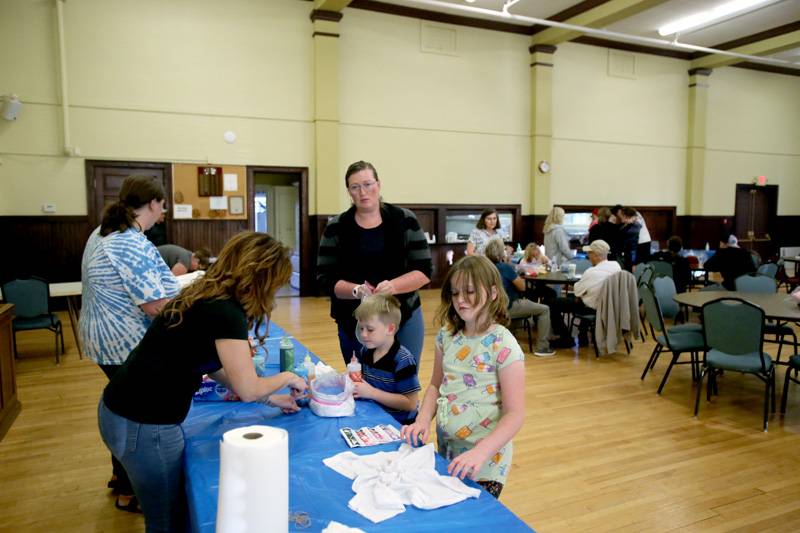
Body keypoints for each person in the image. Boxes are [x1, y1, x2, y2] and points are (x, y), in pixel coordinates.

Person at [97, 231, 308, 532]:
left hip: (118, 409)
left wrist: (272, 398)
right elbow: (247, 389)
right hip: (143, 424)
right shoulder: (227, 312)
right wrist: (287, 377)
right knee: (167, 521)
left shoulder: (206, 295)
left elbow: (215, 367)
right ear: (263, 278)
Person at [80, 176, 180, 513]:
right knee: (134, 412)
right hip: (120, 340)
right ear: (153, 203)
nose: (164, 211)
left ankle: (118, 476)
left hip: (103, 335)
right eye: (163, 204)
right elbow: (153, 305)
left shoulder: (105, 232)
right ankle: (128, 488)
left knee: (121, 401)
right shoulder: (128, 241)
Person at [401, 255, 525, 499]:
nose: (460, 300)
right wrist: (423, 419)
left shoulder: (505, 346)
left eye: (469, 292)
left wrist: (481, 452)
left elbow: (515, 414)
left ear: (492, 293)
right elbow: (436, 385)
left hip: (486, 464)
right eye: (455, 293)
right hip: (448, 451)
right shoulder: (446, 337)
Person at [317, 161, 432, 367]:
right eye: (355, 187)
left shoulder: (405, 219)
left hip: (403, 315)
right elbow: (324, 278)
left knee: (405, 379)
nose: (363, 192)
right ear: (349, 192)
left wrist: (393, 286)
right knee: (361, 380)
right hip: (354, 319)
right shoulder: (336, 227)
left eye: (368, 184)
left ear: (378, 185)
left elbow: (424, 270)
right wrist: (356, 290)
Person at [351, 294, 421, 424]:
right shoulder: (366, 350)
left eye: (370, 330)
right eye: (361, 328)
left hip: (399, 425)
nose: (363, 334)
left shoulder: (403, 360)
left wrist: (372, 393)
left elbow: (411, 403)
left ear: (390, 329)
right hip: (375, 416)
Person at [485, 239, 555, 357]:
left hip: (489, 308)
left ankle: (511, 338)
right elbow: (522, 287)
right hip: (507, 307)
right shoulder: (505, 267)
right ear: (501, 253)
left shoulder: (484, 267)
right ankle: (542, 347)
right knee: (544, 309)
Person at [551, 240, 621, 347]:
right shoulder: (616, 267)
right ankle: (582, 333)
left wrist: (572, 287)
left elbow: (577, 291)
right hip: (611, 307)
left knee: (552, 303)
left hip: (594, 308)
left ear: (597, 255)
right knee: (584, 297)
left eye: (590, 253)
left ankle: (566, 338)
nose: (588, 256)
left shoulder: (591, 272)